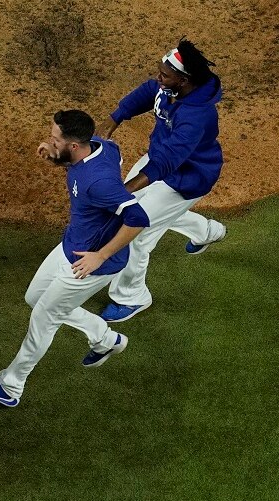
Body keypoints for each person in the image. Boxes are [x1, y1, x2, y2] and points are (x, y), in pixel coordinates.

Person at [0, 110, 150, 407]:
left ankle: (9, 386)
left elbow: (138, 218)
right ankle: (104, 339)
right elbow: (82, 170)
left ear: (74, 145)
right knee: (35, 298)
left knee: (44, 316)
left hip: (89, 264)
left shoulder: (98, 181)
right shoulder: (104, 147)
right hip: (71, 244)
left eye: (55, 139)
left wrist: (100, 256)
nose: (49, 140)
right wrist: (55, 157)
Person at [95, 38, 226, 323]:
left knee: (135, 232)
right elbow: (148, 91)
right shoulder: (172, 87)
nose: (159, 78)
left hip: (187, 178)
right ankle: (207, 231)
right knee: (146, 211)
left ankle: (132, 297)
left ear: (184, 79)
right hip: (159, 159)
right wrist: (115, 118)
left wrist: (125, 190)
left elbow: (168, 162)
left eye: (165, 75)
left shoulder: (197, 115)